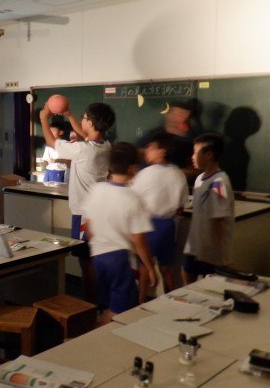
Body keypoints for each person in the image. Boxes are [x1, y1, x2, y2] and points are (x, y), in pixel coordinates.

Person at [40, 102, 116, 303]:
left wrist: (43, 117)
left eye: (84, 118)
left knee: (86, 262)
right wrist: (70, 114)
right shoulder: (105, 146)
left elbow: (51, 143)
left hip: (84, 215)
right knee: (94, 259)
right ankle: (99, 302)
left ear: (90, 122)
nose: (81, 121)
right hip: (99, 212)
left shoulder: (83, 150)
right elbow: (86, 136)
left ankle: (91, 305)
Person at [83, 142, 157, 325]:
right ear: (133, 169)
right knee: (122, 311)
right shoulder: (132, 197)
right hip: (119, 259)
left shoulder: (96, 189)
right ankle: (99, 338)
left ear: (109, 166)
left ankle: (98, 333)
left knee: (108, 306)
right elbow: (138, 238)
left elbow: (89, 228)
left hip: (98, 257)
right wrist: (149, 267)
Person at [131, 131, 189, 302]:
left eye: (151, 147)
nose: (146, 151)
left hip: (149, 224)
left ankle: (140, 302)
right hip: (169, 225)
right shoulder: (178, 173)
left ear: (162, 151)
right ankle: (172, 302)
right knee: (166, 267)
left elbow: (132, 199)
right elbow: (181, 206)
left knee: (143, 267)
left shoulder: (146, 173)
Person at [182, 132, 235, 284]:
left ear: (209, 155)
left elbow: (218, 217)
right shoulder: (200, 178)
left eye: (195, 152)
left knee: (211, 287)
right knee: (187, 278)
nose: (192, 157)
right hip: (194, 245)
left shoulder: (219, 182)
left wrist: (210, 249)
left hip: (211, 252)